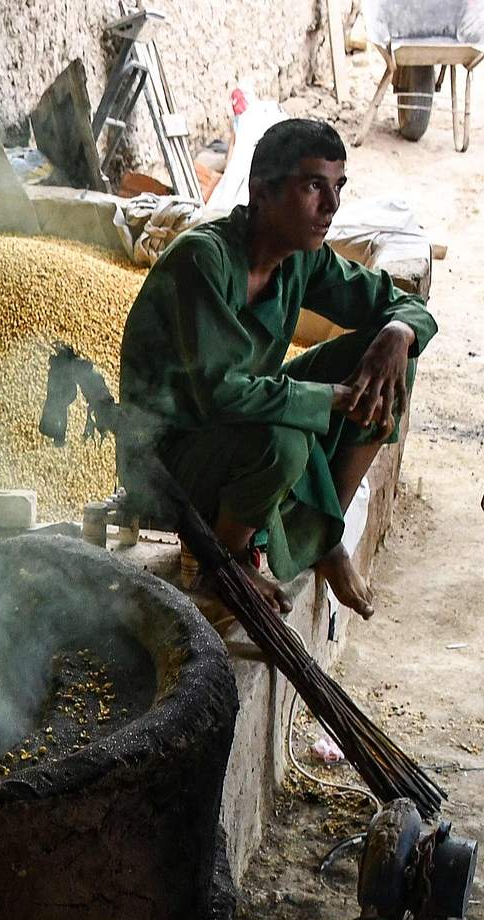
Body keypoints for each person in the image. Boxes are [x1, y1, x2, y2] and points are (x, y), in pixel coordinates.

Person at [118, 119, 435, 618]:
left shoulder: (301, 259)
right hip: (168, 460)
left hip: (236, 429)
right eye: (313, 186)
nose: (331, 206)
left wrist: (398, 333)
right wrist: (328, 398)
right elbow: (221, 395)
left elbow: (400, 306)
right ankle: (222, 562)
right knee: (284, 440)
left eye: (337, 188)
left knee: (389, 365)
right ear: (261, 191)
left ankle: (322, 538)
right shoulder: (203, 261)